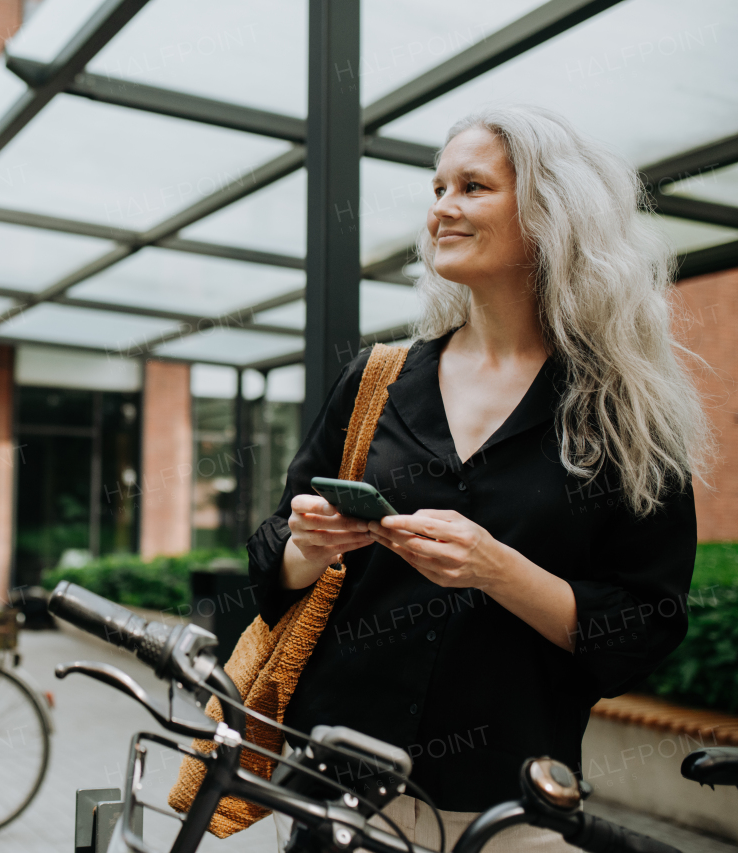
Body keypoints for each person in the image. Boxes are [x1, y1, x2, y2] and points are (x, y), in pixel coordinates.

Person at [253, 104, 715, 851]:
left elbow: (643, 628)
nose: (442, 208)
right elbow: (272, 551)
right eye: (438, 189)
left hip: (508, 808)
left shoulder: (624, 412)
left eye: (472, 186)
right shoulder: (376, 379)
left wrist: (497, 569)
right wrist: (308, 545)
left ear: (550, 213)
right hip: (335, 787)